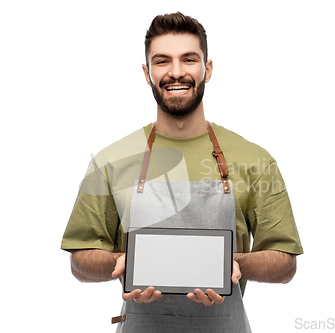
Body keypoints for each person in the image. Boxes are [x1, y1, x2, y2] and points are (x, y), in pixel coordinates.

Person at [61, 12, 303, 333]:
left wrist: (231, 266)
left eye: (189, 59)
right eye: (162, 61)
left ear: (208, 69)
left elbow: (285, 263)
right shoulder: (111, 161)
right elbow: (80, 260)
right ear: (147, 73)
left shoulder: (255, 160)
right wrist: (120, 263)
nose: (176, 72)